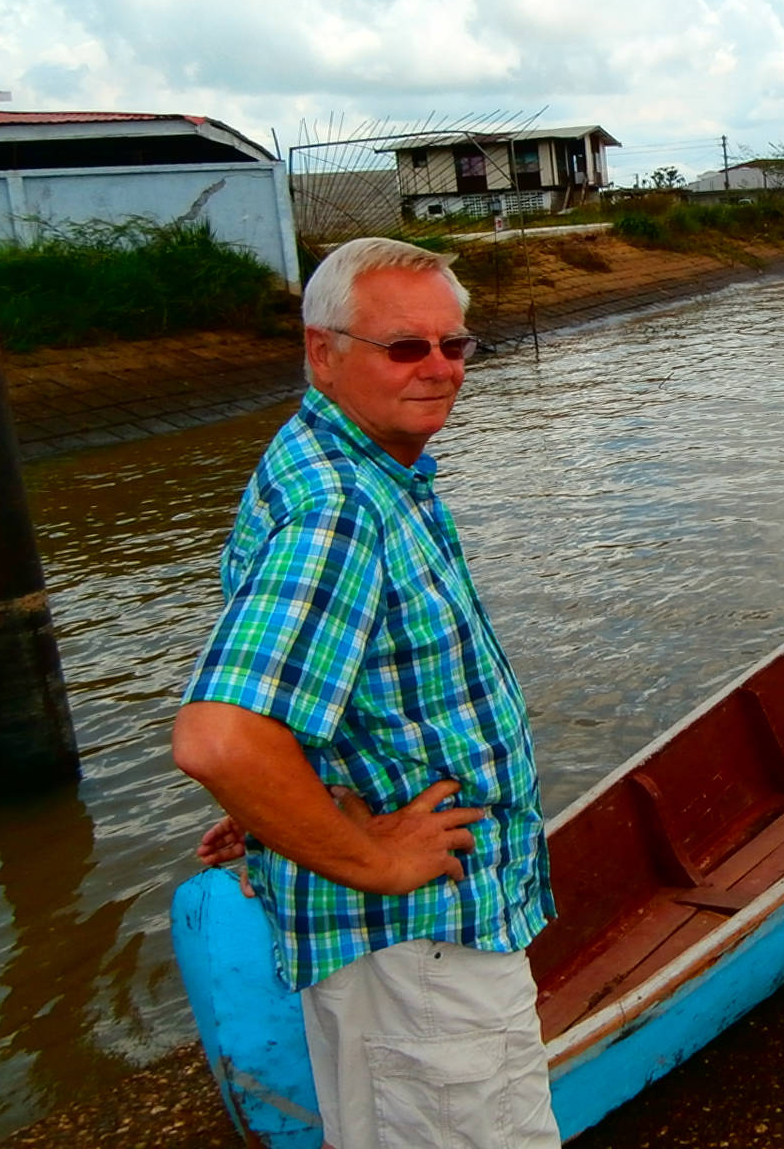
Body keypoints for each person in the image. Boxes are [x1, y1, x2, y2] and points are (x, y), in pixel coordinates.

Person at [171, 237, 559, 1149]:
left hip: (414, 946)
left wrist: (283, 810)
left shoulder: (366, 465)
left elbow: (308, 680)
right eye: (403, 347)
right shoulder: (340, 507)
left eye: (453, 345)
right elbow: (220, 739)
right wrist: (369, 857)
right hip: (415, 946)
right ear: (322, 351)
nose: (437, 369)